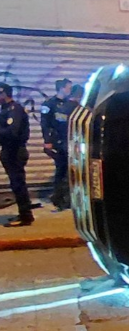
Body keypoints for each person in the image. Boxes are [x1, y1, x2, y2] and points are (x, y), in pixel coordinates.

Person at [0, 82, 34, 227]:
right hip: (8, 150)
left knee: (18, 183)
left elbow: (12, 132)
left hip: (15, 151)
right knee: (16, 183)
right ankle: (24, 214)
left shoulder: (15, 109)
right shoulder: (5, 109)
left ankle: (26, 216)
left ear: (4, 93)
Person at [41, 78, 73, 211]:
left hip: (69, 142)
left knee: (68, 170)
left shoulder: (70, 105)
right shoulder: (49, 104)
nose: (69, 90)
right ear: (61, 88)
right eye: (68, 88)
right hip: (57, 143)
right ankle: (59, 198)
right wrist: (47, 141)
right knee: (61, 170)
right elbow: (45, 124)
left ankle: (66, 197)